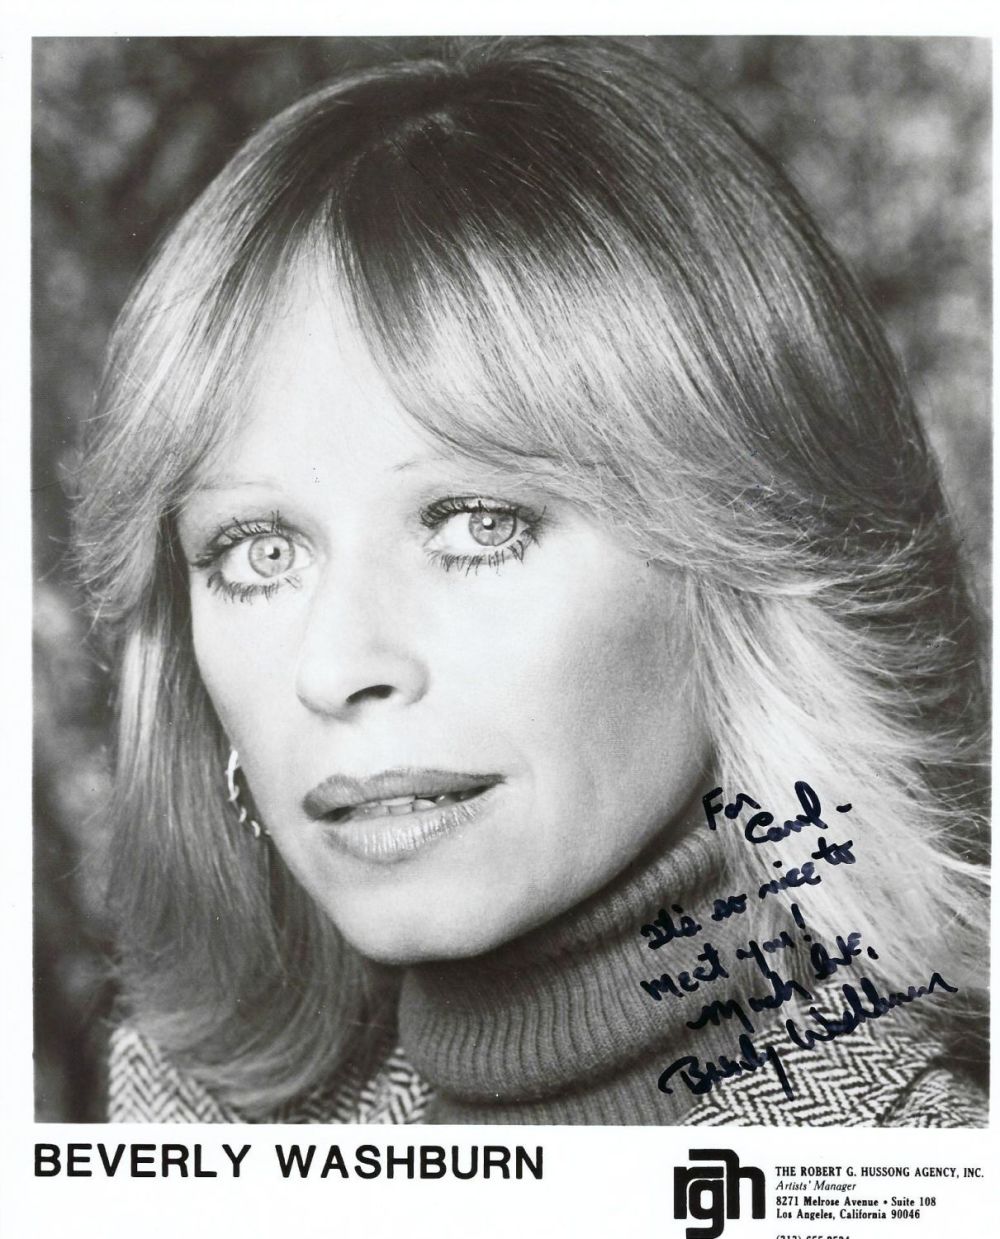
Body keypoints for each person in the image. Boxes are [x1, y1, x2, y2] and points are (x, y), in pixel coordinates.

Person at [74, 37, 988, 1126]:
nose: (336, 665)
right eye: (258, 552)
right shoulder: (181, 1137)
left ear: (743, 558)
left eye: (479, 525)